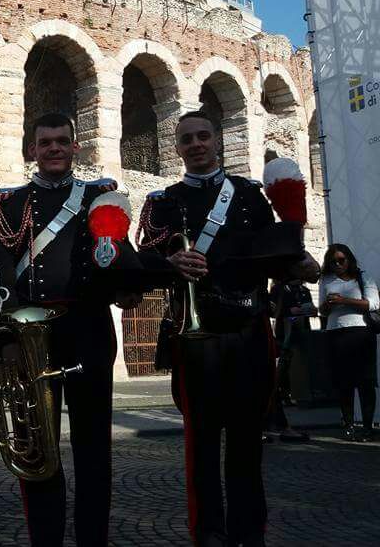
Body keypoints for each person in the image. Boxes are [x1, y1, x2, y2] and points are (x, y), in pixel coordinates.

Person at [138, 110, 301, 547]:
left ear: (216, 141)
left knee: (248, 441)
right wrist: (169, 262)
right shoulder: (162, 202)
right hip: (197, 335)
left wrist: (299, 261)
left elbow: (277, 251)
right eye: (186, 139)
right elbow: (142, 259)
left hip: (248, 330)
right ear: (177, 148)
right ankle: (208, 533)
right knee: (202, 444)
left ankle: (250, 533)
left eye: (202, 136)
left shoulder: (249, 195)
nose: (195, 144)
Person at [0, 112, 143, 547]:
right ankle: (46, 539)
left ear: (76, 147)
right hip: (32, 336)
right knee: (38, 447)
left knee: (94, 448)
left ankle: (93, 538)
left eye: (61, 141)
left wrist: (128, 288)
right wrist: (11, 334)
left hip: (88, 331)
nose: (53, 148)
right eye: (45, 142)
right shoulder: (10, 202)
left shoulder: (99, 195)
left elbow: (116, 254)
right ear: (32, 150)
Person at [319, 243, 380, 441]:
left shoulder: (363, 277)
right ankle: (349, 425)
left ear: (349, 259)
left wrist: (344, 301)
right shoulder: (326, 279)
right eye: (333, 261)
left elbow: (372, 303)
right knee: (343, 382)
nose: (338, 264)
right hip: (336, 332)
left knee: (365, 382)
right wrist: (328, 305)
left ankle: (368, 426)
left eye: (341, 260)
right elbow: (322, 310)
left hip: (361, 332)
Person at [265, 252, 320, 442]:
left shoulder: (301, 289)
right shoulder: (280, 288)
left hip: (298, 333)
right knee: (275, 377)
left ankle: (279, 420)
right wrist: (289, 312)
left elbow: (314, 272)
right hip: (282, 335)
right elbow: (274, 311)